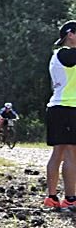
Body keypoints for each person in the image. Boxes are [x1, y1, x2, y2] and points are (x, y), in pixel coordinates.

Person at [43, 20, 76, 211]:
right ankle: (71, 198)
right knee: (71, 152)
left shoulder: (59, 56)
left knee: (59, 152)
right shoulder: (65, 54)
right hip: (68, 108)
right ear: (70, 34)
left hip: (59, 108)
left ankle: (52, 197)